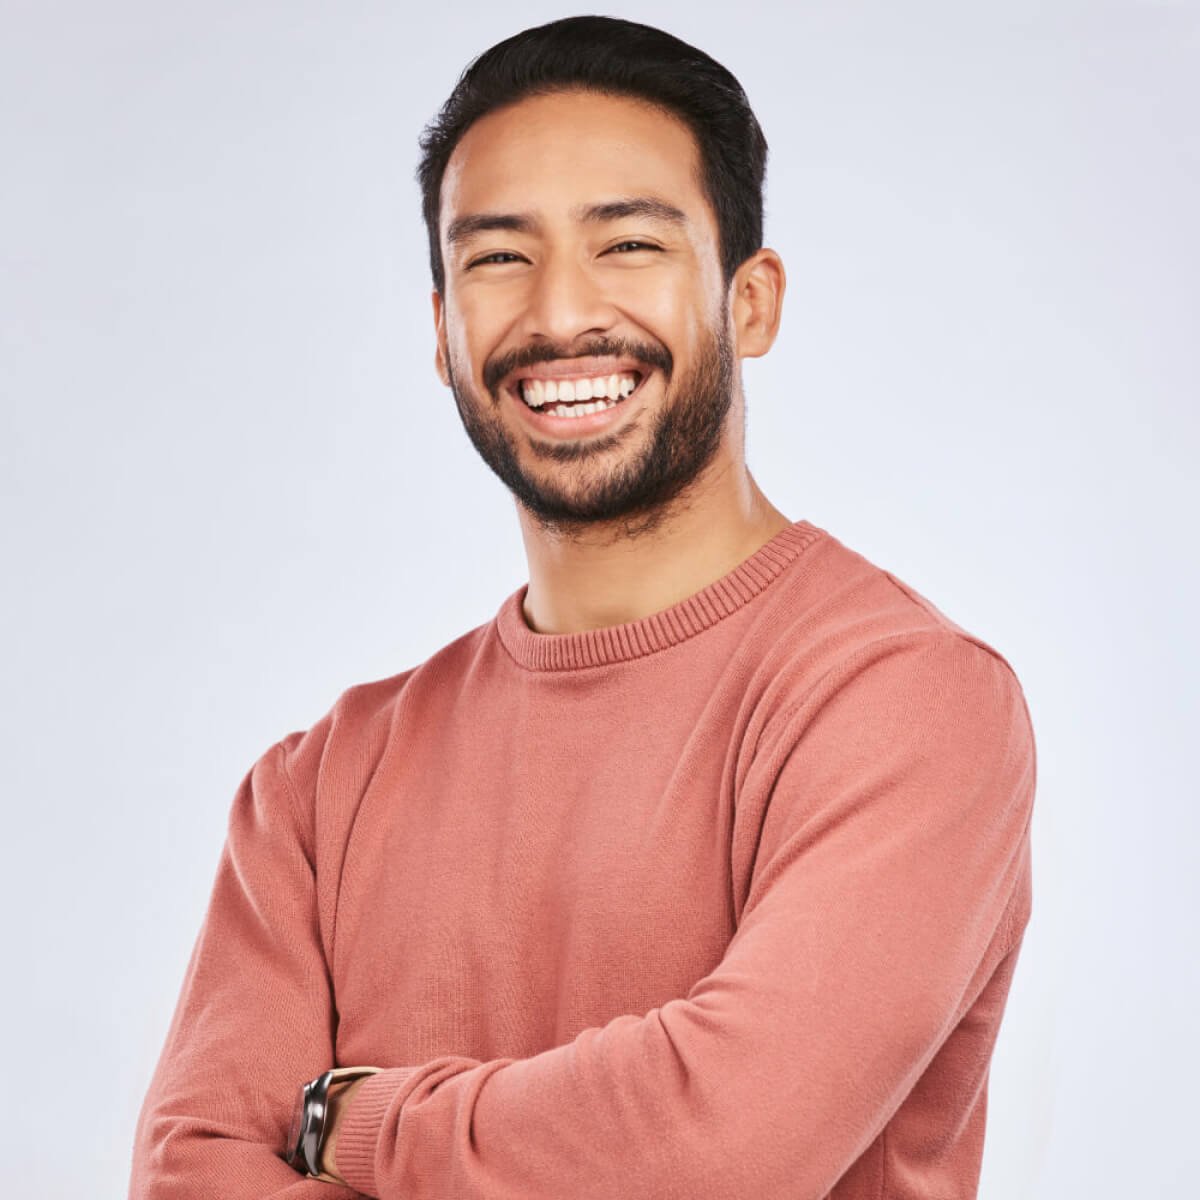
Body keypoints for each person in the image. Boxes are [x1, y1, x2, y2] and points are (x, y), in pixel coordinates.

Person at [128, 15, 1036, 1199]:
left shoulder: (907, 703)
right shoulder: (316, 787)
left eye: (629, 244)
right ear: (442, 331)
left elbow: (714, 1147)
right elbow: (188, 1173)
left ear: (752, 301)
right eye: (498, 258)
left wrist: (352, 1121)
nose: (560, 314)